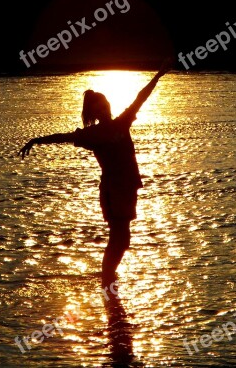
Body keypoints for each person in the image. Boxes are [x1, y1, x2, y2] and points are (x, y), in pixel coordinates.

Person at [19, 60, 172, 286]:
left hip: (129, 187)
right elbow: (64, 137)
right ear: (93, 112)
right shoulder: (92, 134)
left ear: (109, 104)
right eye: (97, 107)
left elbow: (141, 97)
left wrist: (158, 76)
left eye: (104, 104)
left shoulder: (123, 122)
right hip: (113, 190)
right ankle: (107, 280)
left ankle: (109, 281)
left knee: (124, 241)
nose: (103, 108)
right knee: (117, 240)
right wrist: (37, 140)